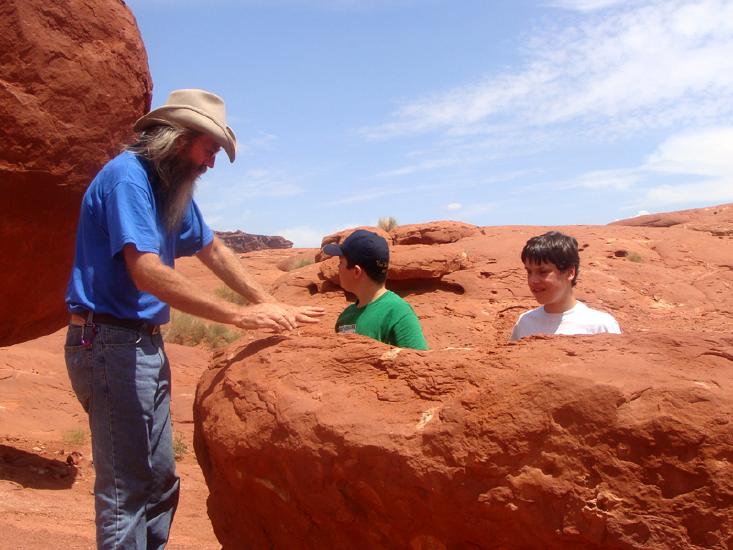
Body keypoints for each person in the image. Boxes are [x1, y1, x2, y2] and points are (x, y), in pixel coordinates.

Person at [63, 89, 324, 549]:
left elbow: (213, 248)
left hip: (142, 343)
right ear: (180, 139)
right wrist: (240, 317)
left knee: (160, 481)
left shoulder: (168, 184)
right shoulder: (129, 179)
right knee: (125, 493)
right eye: (210, 149)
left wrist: (271, 304)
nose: (211, 164)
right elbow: (145, 271)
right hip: (108, 344)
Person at [322, 229, 428, 350]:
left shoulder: (398, 313)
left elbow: (419, 362)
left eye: (341, 262)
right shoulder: (345, 317)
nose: (338, 267)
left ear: (357, 271)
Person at [510, 231, 621, 341]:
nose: (533, 280)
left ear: (570, 273)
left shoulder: (600, 326)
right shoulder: (525, 322)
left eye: (543, 272)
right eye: (529, 272)